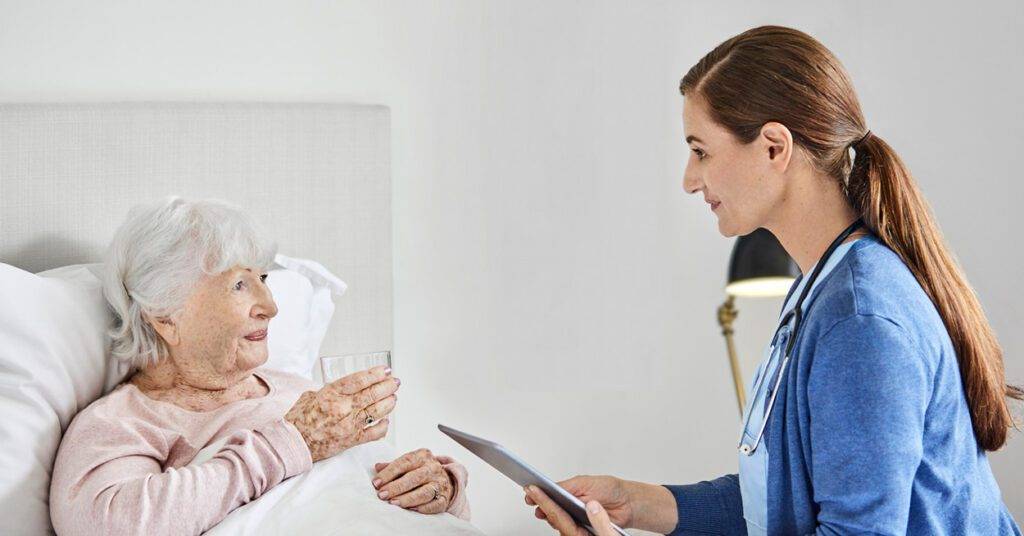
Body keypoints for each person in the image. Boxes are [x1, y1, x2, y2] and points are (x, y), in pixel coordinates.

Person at [523, 25, 1021, 535]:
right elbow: (783, 503)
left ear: (774, 148)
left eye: (701, 151)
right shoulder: (820, 287)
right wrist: (633, 503)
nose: (689, 180)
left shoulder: (858, 319)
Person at [49, 197, 470, 535]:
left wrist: (440, 490)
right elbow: (113, 526)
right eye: (239, 284)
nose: (270, 306)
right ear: (166, 316)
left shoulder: (300, 390)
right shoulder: (122, 423)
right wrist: (294, 441)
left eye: (263, 279)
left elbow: (363, 493)